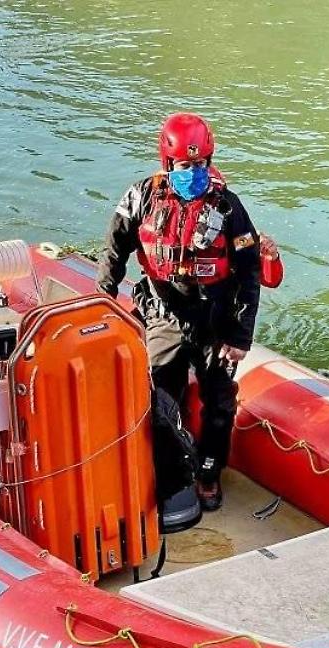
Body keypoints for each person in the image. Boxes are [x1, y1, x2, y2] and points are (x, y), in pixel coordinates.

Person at [97, 112, 261, 512]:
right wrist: (102, 299)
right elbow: (114, 250)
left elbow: (249, 269)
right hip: (163, 313)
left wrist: (240, 337)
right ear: (169, 164)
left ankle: (208, 473)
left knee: (220, 403)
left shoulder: (228, 206)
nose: (194, 172)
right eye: (186, 166)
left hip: (215, 319)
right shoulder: (141, 197)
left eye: (201, 164)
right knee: (160, 397)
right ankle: (170, 477)